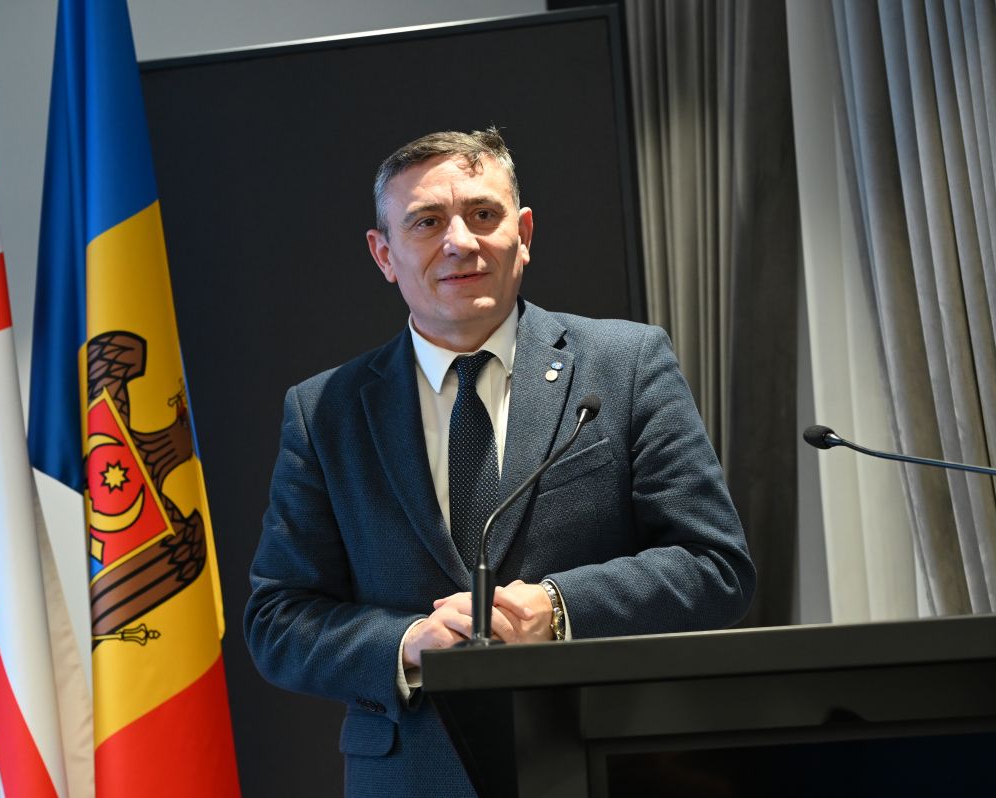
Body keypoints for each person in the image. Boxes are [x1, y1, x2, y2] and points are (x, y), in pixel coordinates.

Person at [244, 128, 755, 797]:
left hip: (606, 766)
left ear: (524, 233)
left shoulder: (626, 365)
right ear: (384, 254)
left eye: (483, 213)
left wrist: (559, 609)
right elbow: (278, 619)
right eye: (427, 222)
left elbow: (715, 565)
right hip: (411, 779)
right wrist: (406, 645)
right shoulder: (325, 411)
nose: (460, 241)